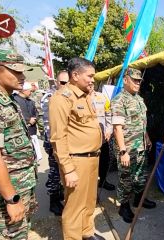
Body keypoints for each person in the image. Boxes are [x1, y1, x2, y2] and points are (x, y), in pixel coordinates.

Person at [49, 57, 104, 240]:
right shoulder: (61, 98)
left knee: (89, 202)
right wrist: (68, 168)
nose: (92, 80)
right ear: (75, 75)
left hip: (92, 158)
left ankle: (86, 232)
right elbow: (58, 137)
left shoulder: (85, 95)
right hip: (76, 161)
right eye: (89, 76)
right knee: (74, 207)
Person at [0, 48, 37, 239]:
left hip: (21, 183)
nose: (22, 76)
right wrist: (12, 199)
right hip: (8, 192)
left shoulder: (8, 100)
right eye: (16, 71)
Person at [111, 67, 156, 224]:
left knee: (141, 175)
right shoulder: (119, 100)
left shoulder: (139, 99)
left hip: (141, 145)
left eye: (139, 80)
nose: (138, 83)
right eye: (134, 80)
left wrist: (147, 138)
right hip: (128, 147)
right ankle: (124, 206)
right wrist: (123, 151)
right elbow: (117, 128)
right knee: (126, 178)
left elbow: (142, 123)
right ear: (125, 80)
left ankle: (139, 200)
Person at [41, 70, 69, 216]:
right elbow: (49, 126)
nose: (66, 86)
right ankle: (53, 200)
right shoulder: (50, 97)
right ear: (57, 82)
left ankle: (59, 195)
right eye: (63, 83)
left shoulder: (67, 96)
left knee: (63, 171)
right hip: (54, 142)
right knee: (55, 171)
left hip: (66, 141)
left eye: (68, 83)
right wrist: (55, 146)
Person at [90, 88, 115, 191]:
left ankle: (103, 181)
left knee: (104, 160)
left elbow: (109, 113)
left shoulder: (102, 97)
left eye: (92, 82)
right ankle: (91, 186)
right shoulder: (79, 97)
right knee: (90, 164)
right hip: (87, 140)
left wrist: (109, 129)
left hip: (102, 137)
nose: (90, 84)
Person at [14, 82, 43, 162]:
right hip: (22, 132)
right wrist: (27, 120)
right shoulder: (15, 100)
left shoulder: (30, 101)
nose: (31, 93)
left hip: (32, 131)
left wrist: (34, 119)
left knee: (35, 153)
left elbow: (37, 112)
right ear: (24, 90)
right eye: (30, 91)